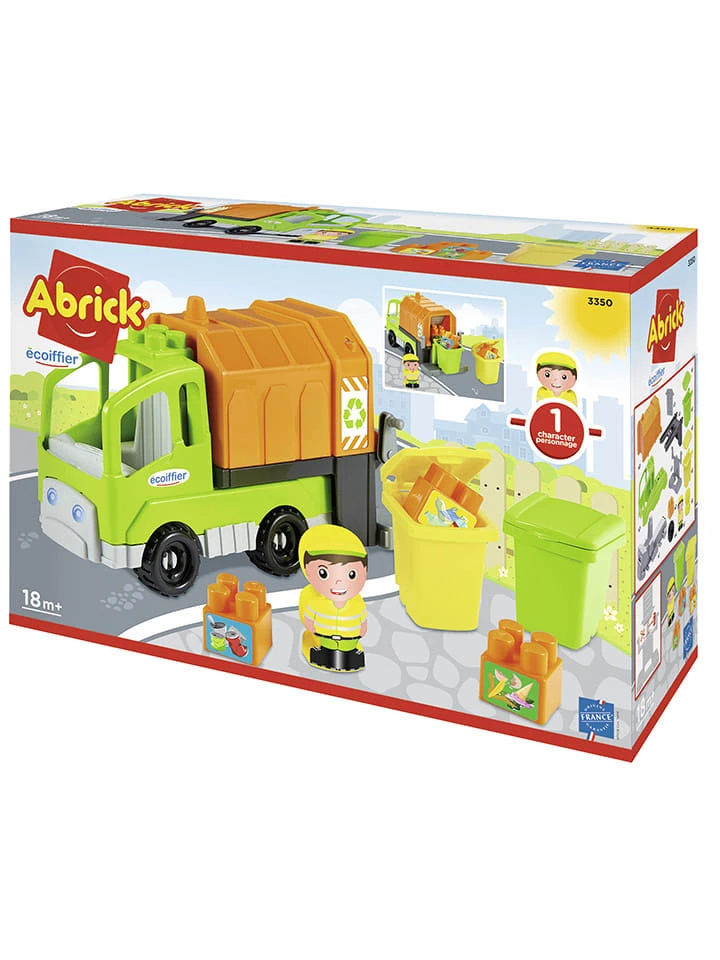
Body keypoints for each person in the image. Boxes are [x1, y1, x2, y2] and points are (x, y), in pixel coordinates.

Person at [298, 524, 368, 672]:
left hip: (350, 642)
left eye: (351, 574)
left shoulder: (357, 603)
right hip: (323, 639)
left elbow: (363, 622)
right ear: (308, 570)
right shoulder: (314, 602)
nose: (338, 582)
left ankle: (349, 656)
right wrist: (312, 629)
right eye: (323, 573)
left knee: (349, 651)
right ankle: (324, 654)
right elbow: (308, 620)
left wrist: (361, 631)